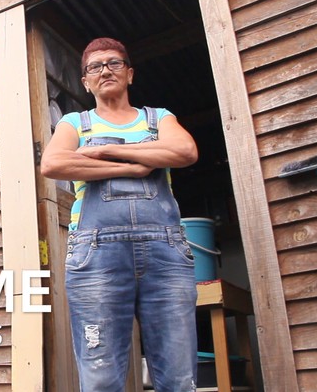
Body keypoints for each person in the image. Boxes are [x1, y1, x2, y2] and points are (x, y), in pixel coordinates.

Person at [40, 37, 199, 392]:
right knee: (100, 378)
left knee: (178, 376)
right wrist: (138, 163)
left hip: (165, 254)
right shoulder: (74, 123)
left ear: (129, 74)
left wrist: (106, 152)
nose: (105, 71)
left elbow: (185, 150)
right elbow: (53, 163)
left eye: (114, 63)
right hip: (96, 255)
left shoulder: (159, 118)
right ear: (85, 81)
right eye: (95, 67)